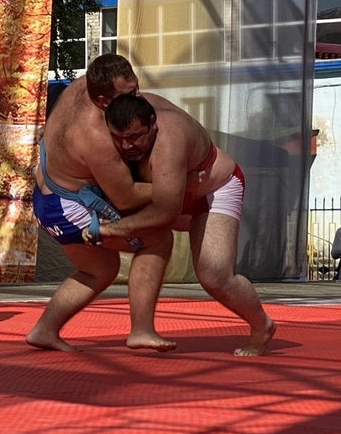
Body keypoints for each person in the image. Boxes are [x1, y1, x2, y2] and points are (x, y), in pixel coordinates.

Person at [92, 93, 277, 357]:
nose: (127, 145)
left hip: (213, 191)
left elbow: (164, 212)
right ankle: (141, 328)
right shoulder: (105, 124)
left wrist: (111, 229)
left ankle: (262, 325)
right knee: (153, 239)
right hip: (177, 196)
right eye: (119, 138)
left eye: (134, 137)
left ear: (153, 123)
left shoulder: (169, 141)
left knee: (214, 275)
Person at [27, 54, 177, 352]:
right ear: (102, 99)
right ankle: (141, 330)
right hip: (68, 206)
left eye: (136, 89)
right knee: (157, 238)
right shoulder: (96, 136)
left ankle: (44, 330)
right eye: (129, 96)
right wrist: (175, 184)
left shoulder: (81, 85)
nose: (137, 98)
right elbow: (126, 195)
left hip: (48, 195)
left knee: (99, 269)